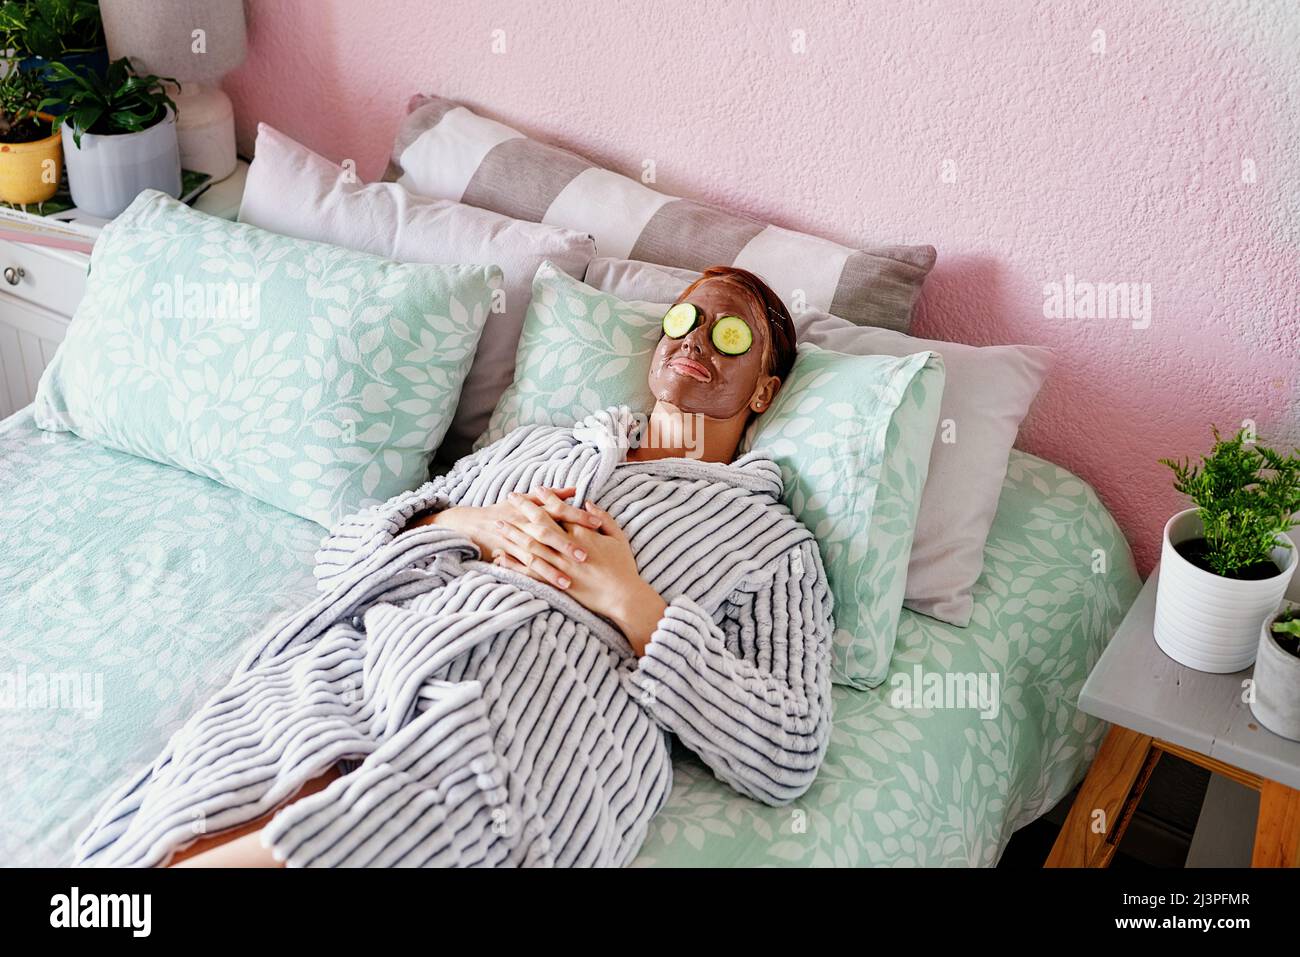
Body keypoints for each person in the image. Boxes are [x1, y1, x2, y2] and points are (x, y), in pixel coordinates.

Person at [75, 266, 834, 868]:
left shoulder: (769, 541)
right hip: (374, 653)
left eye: (731, 332)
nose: (696, 336)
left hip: (538, 716)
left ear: (765, 387)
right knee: (187, 811)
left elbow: (789, 748)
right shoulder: (538, 446)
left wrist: (631, 602)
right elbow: (342, 554)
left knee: (360, 829)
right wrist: (471, 523)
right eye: (683, 318)